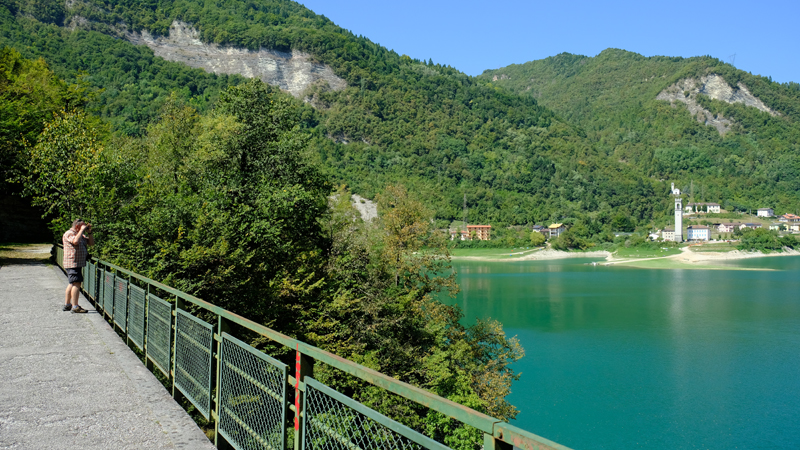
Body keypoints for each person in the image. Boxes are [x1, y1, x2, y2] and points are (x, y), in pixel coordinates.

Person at [62, 219, 94, 313]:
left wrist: (89, 232)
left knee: (72, 283)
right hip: (72, 263)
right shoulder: (69, 233)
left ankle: (68, 304)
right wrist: (81, 231)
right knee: (76, 283)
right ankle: (75, 306)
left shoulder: (81, 235)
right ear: (77, 226)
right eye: (83, 226)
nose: (84, 228)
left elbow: (91, 243)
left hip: (77, 263)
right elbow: (75, 242)